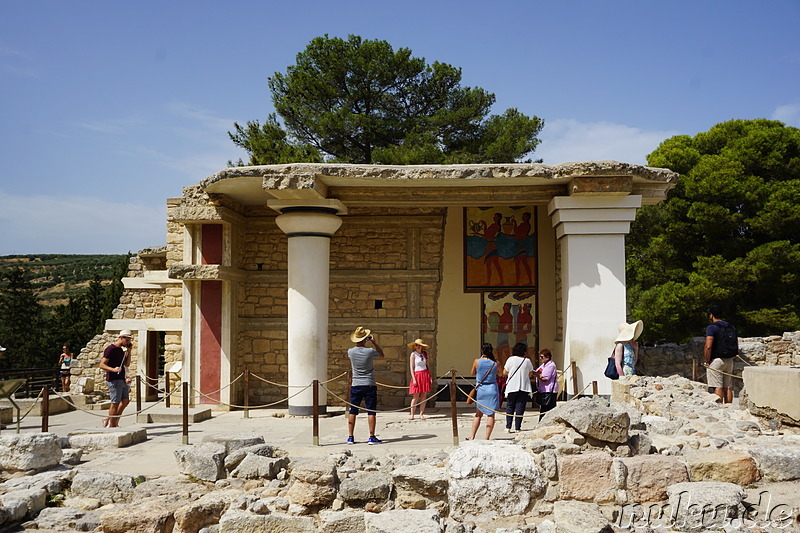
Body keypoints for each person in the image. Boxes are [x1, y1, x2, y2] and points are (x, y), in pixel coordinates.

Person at [347, 326, 385, 444]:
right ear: (365, 339)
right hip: (369, 383)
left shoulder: (350, 352)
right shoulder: (370, 351)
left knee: (353, 411)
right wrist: (374, 343)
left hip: (356, 384)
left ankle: (350, 437)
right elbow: (381, 355)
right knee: (371, 411)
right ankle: (372, 436)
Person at [704, 305, 737, 404]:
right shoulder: (731, 326)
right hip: (729, 360)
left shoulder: (712, 327)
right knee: (728, 386)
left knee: (717, 385)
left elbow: (708, 346)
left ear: (712, 315)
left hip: (717, 360)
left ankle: (719, 410)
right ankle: (729, 408)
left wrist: (706, 361)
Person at [99, 330, 133, 428]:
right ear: (121, 338)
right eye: (127, 340)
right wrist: (113, 369)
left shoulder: (121, 350)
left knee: (125, 401)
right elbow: (102, 364)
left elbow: (127, 364)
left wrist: (129, 352)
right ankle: (113, 424)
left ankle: (109, 419)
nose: (128, 343)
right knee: (115, 402)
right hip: (114, 379)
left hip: (121, 378)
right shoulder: (111, 349)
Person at [467, 343, 499, 440]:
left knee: (478, 415)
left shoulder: (477, 361)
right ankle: (487, 437)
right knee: (491, 415)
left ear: (482, 351)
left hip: (481, 389)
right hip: (492, 388)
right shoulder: (495, 363)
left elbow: (472, 373)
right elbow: (501, 373)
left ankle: (472, 436)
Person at [504, 342, 534, 433]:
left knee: (510, 406)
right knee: (520, 407)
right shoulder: (527, 361)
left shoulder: (510, 359)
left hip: (512, 386)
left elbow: (505, 372)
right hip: (523, 386)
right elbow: (530, 373)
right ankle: (517, 427)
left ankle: (508, 427)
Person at [407, 338, 432, 420]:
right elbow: (411, 367)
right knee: (415, 396)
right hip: (417, 374)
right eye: (416, 345)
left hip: (425, 374)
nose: (418, 346)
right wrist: (414, 378)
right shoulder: (413, 354)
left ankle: (421, 413)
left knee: (424, 396)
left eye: (419, 345)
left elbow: (427, 365)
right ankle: (412, 414)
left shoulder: (425, 354)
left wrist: (430, 376)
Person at [533, 348, 559, 421]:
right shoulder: (544, 365)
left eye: (542, 357)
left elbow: (544, 378)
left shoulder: (551, 365)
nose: (540, 359)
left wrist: (536, 374)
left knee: (548, 408)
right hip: (543, 389)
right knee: (543, 408)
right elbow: (538, 371)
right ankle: (541, 422)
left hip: (549, 390)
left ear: (547, 357)